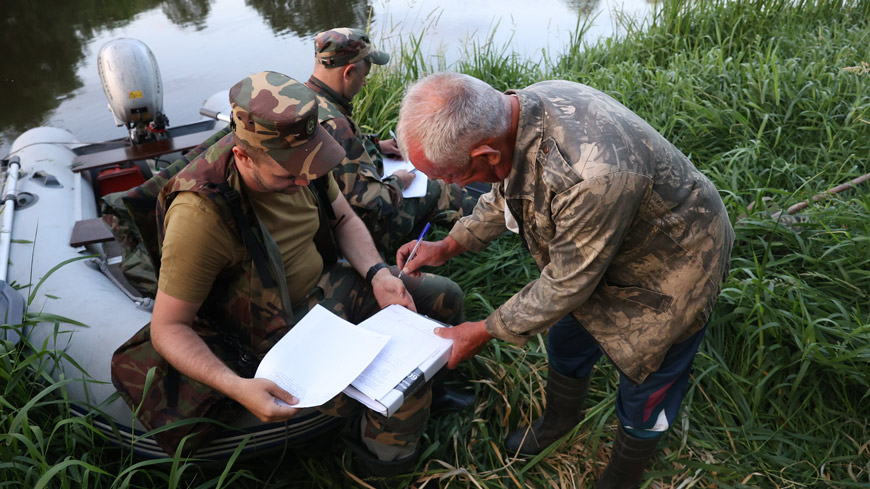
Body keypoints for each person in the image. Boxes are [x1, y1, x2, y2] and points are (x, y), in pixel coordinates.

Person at [111, 72, 465, 478]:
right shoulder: (200, 216)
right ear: (243, 157)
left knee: (445, 297)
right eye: (288, 176)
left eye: (307, 170)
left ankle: (429, 394)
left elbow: (344, 218)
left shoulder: (302, 161)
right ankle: (384, 468)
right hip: (272, 326)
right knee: (401, 380)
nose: (303, 181)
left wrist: (378, 272)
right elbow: (169, 327)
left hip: (328, 286)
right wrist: (236, 386)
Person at [394, 72, 735, 488]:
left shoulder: (591, 175)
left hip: (674, 262)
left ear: (486, 152)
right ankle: (558, 420)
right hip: (597, 248)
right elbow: (506, 189)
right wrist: (450, 244)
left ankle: (623, 476)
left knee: (649, 379)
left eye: (451, 176)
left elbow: (566, 284)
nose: (449, 185)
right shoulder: (514, 117)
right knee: (567, 337)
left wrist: (483, 330)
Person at [304, 27, 477, 255]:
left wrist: (376, 145)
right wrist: (400, 181)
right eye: (364, 76)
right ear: (348, 72)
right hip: (358, 231)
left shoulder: (306, 100)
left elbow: (334, 149)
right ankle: (493, 220)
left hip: (324, 221)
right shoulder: (337, 123)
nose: (364, 84)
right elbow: (374, 203)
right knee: (437, 187)